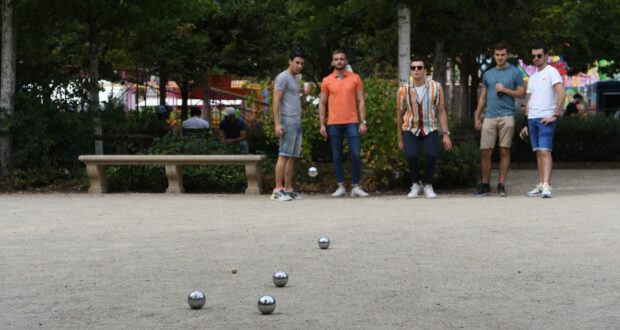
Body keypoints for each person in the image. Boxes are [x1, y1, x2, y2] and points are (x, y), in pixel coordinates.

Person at [473, 43, 526, 196]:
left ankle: (501, 184)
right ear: (494, 55)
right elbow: (483, 97)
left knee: (504, 150)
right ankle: (485, 184)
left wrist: (505, 90)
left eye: (502, 54)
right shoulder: (488, 74)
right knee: (485, 151)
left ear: (507, 55)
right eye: (497, 54)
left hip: (507, 116)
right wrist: (477, 116)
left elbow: (522, 94)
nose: (500, 57)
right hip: (489, 116)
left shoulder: (515, 72)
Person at [396, 57, 453, 198]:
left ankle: (428, 184)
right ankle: (416, 183)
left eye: (419, 67)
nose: (416, 70)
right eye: (413, 68)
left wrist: (446, 134)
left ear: (425, 71)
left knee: (432, 154)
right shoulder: (403, 89)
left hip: (430, 127)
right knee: (411, 155)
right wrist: (400, 138)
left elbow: (441, 110)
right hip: (410, 127)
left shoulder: (435, 87)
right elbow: (399, 114)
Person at [319, 50, 369, 197]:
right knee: (337, 156)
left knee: (355, 154)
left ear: (346, 61)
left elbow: (361, 100)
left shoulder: (355, 78)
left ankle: (355, 186)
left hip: (352, 122)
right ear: (332, 62)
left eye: (342, 59)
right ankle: (340, 186)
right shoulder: (327, 80)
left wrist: (363, 121)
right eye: (336, 59)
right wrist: (322, 124)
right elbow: (322, 103)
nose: (339, 61)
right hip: (333, 123)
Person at [519, 43, 565, 198]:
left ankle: (546, 186)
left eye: (539, 55)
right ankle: (540, 185)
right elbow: (529, 99)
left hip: (546, 118)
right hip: (532, 118)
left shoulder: (552, 72)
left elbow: (561, 94)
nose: (536, 59)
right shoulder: (532, 77)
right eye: (533, 56)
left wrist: (555, 115)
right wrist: (525, 123)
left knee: (545, 152)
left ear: (546, 56)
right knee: (538, 152)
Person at [270, 49, 306, 201]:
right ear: (290, 61)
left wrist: (305, 95)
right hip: (287, 120)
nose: (299, 66)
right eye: (297, 62)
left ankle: (288, 189)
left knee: (292, 157)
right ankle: (277, 190)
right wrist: (277, 123)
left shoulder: (296, 79)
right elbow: (276, 100)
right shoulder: (283, 77)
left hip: (296, 121)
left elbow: (298, 101)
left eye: (302, 63)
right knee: (283, 155)